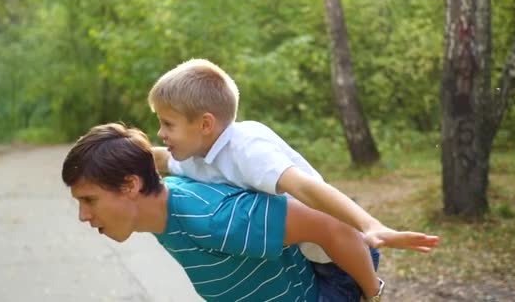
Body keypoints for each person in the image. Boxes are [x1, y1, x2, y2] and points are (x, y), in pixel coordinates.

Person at [147, 59, 440, 300]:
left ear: (205, 124)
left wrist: (369, 226)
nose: (161, 133)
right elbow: (157, 157)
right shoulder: (195, 156)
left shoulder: (246, 149)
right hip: (304, 259)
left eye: (168, 124)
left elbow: (306, 188)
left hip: (341, 257)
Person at [62, 123, 387, 301]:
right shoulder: (161, 211)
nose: (83, 216)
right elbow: (157, 157)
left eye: (90, 200)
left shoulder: (214, 218)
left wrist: (373, 294)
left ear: (130, 186)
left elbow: (331, 226)